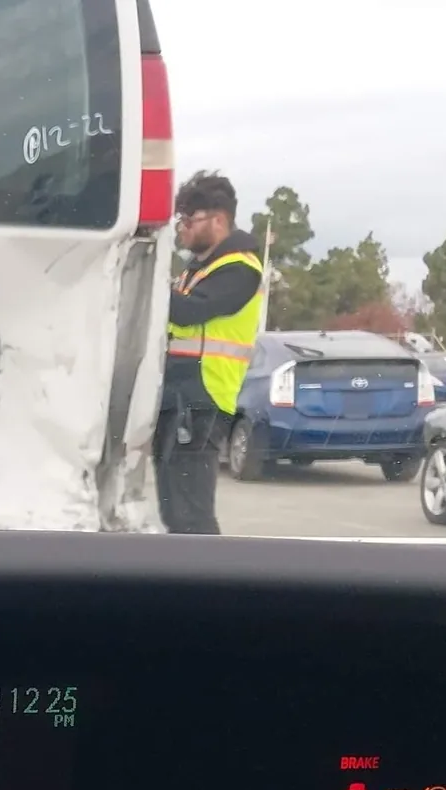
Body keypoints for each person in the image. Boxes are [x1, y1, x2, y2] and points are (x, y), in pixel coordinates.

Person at [156, 172, 265, 534]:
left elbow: (189, 311)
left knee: (192, 512)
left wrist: (149, 283)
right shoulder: (198, 269)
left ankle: (205, 568)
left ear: (218, 220)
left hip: (203, 397)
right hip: (179, 396)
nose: (182, 228)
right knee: (174, 510)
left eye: (190, 220)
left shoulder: (240, 269)